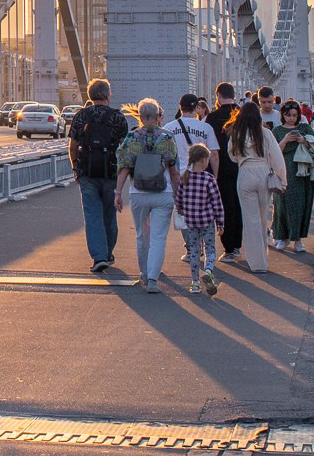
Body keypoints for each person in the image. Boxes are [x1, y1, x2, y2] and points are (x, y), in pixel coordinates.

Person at [114, 99, 180, 294]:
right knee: (159, 238)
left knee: (142, 235)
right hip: (163, 192)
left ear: (140, 117)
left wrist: (118, 192)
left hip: (138, 193)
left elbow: (124, 168)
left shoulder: (131, 137)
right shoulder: (167, 137)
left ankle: (143, 272)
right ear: (158, 117)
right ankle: (153, 279)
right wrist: (179, 194)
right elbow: (174, 170)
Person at [67, 79, 129, 274]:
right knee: (109, 214)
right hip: (111, 173)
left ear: (90, 95)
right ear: (108, 95)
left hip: (87, 173)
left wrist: (75, 168)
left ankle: (99, 257)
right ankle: (108, 253)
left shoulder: (81, 116)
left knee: (92, 215)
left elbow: (72, 146)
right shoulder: (118, 117)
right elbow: (124, 148)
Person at [227, 103, 287, 272]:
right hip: (263, 172)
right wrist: (282, 180)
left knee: (249, 219)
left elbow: (232, 156)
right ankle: (263, 258)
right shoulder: (266, 133)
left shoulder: (236, 134)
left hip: (245, 172)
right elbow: (276, 157)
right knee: (262, 218)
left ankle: (256, 262)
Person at [175, 142, 225, 296]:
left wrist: (183, 211)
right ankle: (208, 271)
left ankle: (195, 283)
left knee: (195, 251)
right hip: (207, 220)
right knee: (210, 249)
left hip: (191, 221)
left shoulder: (184, 177)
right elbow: (217, 202)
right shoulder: (208, 179)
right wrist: (220, 222)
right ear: (203, 160)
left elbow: (178, 199)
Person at [273, 101, 314, 252]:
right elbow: (273, 152)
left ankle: (298, 240)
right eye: (288, 115)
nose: (291, 118)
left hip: (302, 171)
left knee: (301, 204)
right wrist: (286, 140)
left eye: (294, 115)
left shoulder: (305, 128)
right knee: (281, 204)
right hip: (284, 170)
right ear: (283, 115)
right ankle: (282, 237)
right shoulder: (277, 131)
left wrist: (304, 141)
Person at [206, 82, 243, 265]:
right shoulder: (243, 113)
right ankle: (239, 244)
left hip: (221, 168)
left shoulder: (212, 118)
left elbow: (210, 148)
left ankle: (229, 247)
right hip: (243, 166)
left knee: (226, 206)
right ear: (234, 95)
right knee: (240, 206)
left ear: (218, 96)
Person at [168, 93, 220, 174]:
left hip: (176, 174)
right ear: (196, 107)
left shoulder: (169, 127)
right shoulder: (206, 127)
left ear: (180, 107)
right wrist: (215, 176)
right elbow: (214, 154)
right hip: (198, 174)